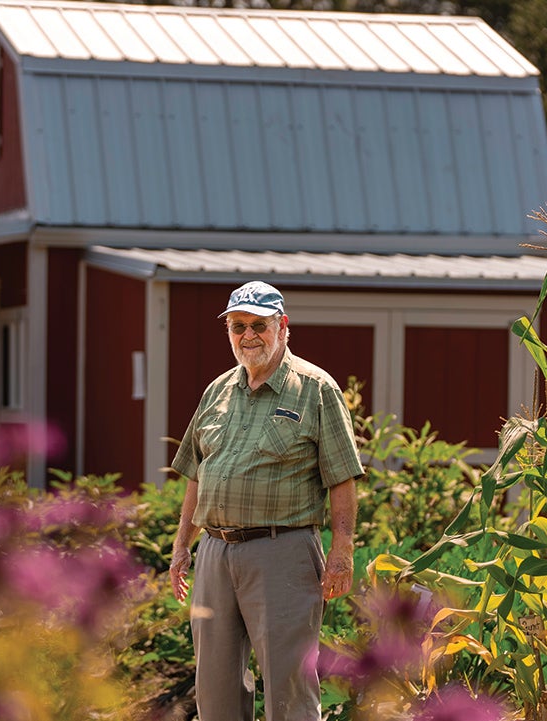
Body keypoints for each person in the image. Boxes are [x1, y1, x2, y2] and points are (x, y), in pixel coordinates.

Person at [168, 280, 364, 721]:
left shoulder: (316, 390)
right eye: (238, 326)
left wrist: (342, 552)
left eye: (259, 325)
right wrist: (183, 545)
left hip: (284, 551)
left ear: (283, 327)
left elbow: (343, 479)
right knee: (214, 688)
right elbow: (198, 475)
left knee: (287, 687)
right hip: (215, 552)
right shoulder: (217, 391)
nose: (248, 335)